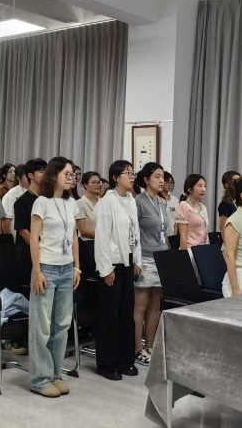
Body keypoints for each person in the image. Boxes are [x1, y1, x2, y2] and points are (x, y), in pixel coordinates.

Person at [28, 157, 81, 398]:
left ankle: (55, 374)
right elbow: (34, 239)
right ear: (54, 175)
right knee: (42, 326)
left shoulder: (71, 203)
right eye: (67, 174)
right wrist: (37, 271)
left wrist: (77, 267)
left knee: (61, 325)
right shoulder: (41, 203)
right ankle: (40, 379)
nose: (71, 178)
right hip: (47, 268)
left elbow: (74, 237)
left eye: (73, 175)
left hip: (66, 268)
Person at [94, 160, 141, 381]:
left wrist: (137, 260)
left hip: (128, 261)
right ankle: (107, 364)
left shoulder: (131, 199)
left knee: (126, 313)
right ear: (115, 178)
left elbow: (135, 233)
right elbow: (102, 238)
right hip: (111, 264)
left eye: (133, 173)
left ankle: (125, 360)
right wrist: (106, 269)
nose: (131, 177)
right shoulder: (107, 202)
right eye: (127, 173)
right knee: (110, 315)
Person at [132, 163, 167, 367]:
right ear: (146, 180)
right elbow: (133, 233)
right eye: (157, 176)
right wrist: (135, 260)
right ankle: (137, 348)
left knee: (156, 304)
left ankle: (150, 346)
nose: (161, 180)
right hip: (144, 258)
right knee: (141, 305)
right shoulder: (138, 201)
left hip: (161, 259)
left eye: (163, 176)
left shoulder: (161, 202)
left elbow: (164, 232)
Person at [14, 158, 47, 295]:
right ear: (30, 175)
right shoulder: (22, 202)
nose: (45, 175)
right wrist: (40, 248)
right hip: (28, 253)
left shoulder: (47, 199)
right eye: (41, 172)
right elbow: (23, 231)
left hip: (46, 251)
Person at [176, 174, 210, 251]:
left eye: (204, 186)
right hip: (191, 251)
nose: (203, 189)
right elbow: (183, 236)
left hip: (204, 250)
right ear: (190, 189)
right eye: (199, 186)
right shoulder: (183, 206)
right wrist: (184, 255)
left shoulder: (203, 207)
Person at [1, 163, 28, 236]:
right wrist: (9, 240)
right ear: (18, 178)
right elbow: (6, 220)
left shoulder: (37, 193)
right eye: (25, 175)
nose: (29, 177)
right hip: (16, 237)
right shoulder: (11, 195)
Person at [75, 172, 101, 240]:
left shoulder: (103, 202)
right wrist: (102, 237)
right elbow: (83, 230)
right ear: (85, 184)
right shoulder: (80, 203)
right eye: (94, 182)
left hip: (104, 243)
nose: (97, 185)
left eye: (98, 182)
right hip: (87, 242)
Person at [218, 171, 241, 240]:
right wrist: (227, 244)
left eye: (240, 180)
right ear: (226, 185)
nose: (238, 183)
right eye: (235, 181)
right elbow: (223, 227)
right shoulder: (225, 203)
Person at [162, 172, 178, 237]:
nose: (170, 185)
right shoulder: (158, 200)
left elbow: (177, 218)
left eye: (171, 183)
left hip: (174, 234)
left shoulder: (175, 199)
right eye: (167, 182)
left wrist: (176, 233)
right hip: (163, 235)